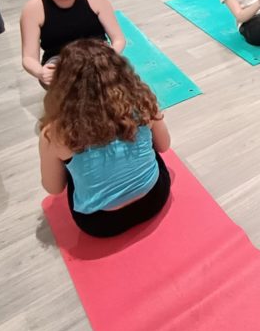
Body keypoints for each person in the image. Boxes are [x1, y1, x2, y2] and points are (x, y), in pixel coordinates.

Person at [38, 40, 172, 238]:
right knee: (148, 145)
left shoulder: (54, 132)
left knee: (72, 168)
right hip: (154, 199)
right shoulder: (142, 103)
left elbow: (54, 188)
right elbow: (164, 145)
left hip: (99, 224)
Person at [20, 0, 125, 86]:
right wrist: (41, 72)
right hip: (60, 59)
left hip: (97, 53)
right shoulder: (32, 9)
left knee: (117, 79)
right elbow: (28, 58)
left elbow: (118, 39)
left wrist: (109, 57)